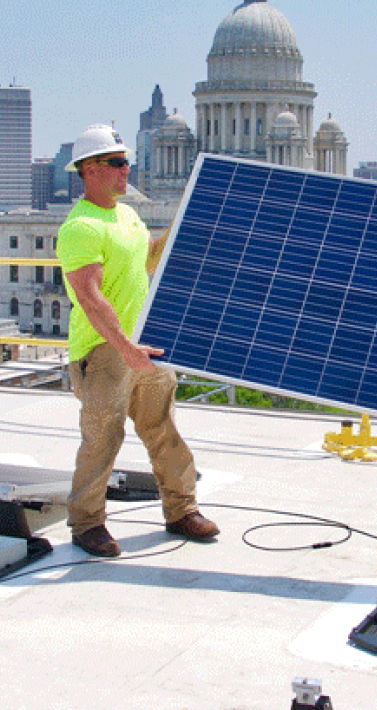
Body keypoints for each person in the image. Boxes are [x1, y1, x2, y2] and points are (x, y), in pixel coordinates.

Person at [56, 123, 219, 557]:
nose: (126, 168)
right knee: (102, 439)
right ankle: (87, 524)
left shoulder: (125, 215)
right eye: (116, 162)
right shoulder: (81, 227)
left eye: (126, 160)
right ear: (89, 170)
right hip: (105, 351)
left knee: (162, 429)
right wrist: (126, 348)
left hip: (145, 343)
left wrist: (184, 220)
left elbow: (148, 258)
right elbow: (89, 297)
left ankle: (181, 510)